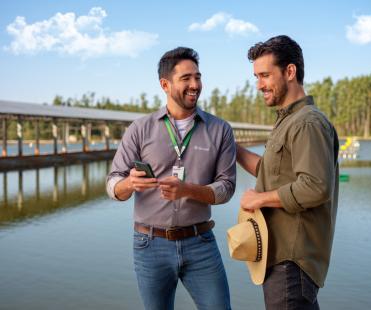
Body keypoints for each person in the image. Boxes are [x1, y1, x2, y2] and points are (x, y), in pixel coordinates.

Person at [106, 47, 236, 310]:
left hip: (201, 244)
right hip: (149, 244)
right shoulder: (139, 129)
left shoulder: (220, 130)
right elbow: (112, 185)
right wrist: (129, 183)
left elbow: (227, 188)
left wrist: (188, 190)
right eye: (186, 78)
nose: (195, 85)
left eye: (198, 77)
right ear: (165, 84)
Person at [236, 35, 339, 309]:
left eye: (265, 75)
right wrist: (232, 149)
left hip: (291, 264)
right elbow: (270, 172)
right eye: (256, 77)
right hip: (281, 260)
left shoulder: (307, 123)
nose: (259, 85)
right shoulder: (289, 122)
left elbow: (316, 186)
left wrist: (258, 199)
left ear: (290, 71)